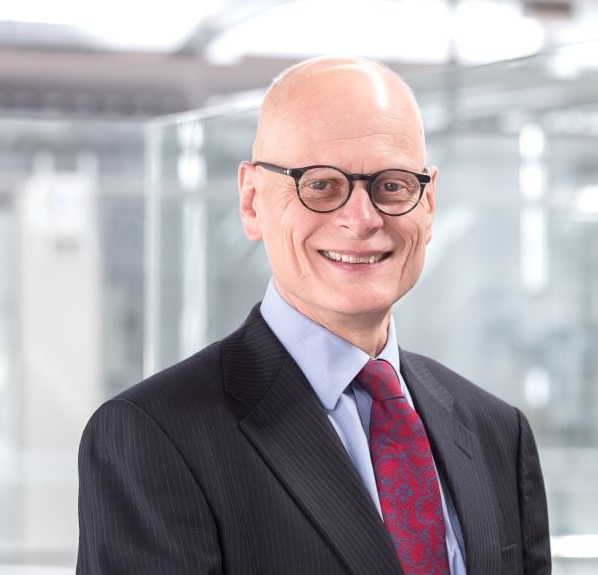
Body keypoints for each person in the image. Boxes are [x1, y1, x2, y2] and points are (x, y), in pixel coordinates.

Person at [77, 56, 551, 575]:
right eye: (321, 185)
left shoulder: (497, 434)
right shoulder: (154, 437)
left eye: (392, 184)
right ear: (253, 201)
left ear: (428, 202)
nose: (362, 219)